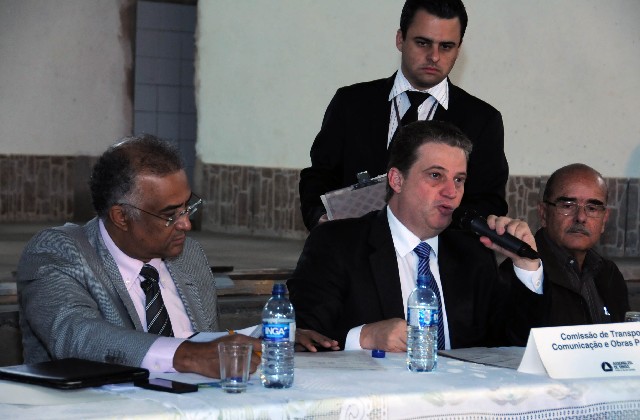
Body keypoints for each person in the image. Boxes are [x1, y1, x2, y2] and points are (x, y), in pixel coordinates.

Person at [17, 134, 338, 378]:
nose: (186, 224)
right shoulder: (59, 252)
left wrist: (264, 338)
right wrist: (187, 356)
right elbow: (77, 334)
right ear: (121, 216)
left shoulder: (188, 255)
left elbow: (201, 341)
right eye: (170, 215)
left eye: (188, 207)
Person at [288, 121, 540, 352]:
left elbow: (513, 346)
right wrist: (363, 337)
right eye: (435, 175)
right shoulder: (337, 244)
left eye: (459, 179)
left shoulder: (472, 253)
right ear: (397, 180)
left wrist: (526, 266)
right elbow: (301, 340)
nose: (451, 192)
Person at [299, 0, 508, 230]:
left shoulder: (482, 120)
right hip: (354, 246)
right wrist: (321, 220)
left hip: (435, 250)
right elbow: (319, 176)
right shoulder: (350, 103)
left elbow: (489, 202)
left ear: (458, 49)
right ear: (400, 39)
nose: (434, 56)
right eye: (423, 43)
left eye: (446, 46)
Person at [500, 163, 630, 343]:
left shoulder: (609, 273)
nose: (581, 217)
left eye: (592, 208)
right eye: (568, 205)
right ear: (544, 214)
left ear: (604, 220)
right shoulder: (520, 273)